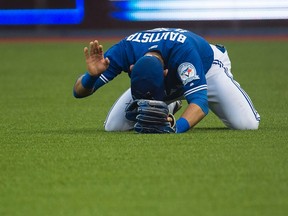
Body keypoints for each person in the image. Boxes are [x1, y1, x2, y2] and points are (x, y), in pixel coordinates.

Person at [73, 28, 260, 133]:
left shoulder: (184, 55)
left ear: (165, 73)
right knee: (113, 127)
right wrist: (92, 76)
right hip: (162, 75)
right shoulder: (124, 51)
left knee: (247, 124)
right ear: (131, 68)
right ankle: (171, 105)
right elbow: (78, 92)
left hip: (208, 68)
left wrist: (176, 127)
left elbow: (200, 103)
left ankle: (174, 99)